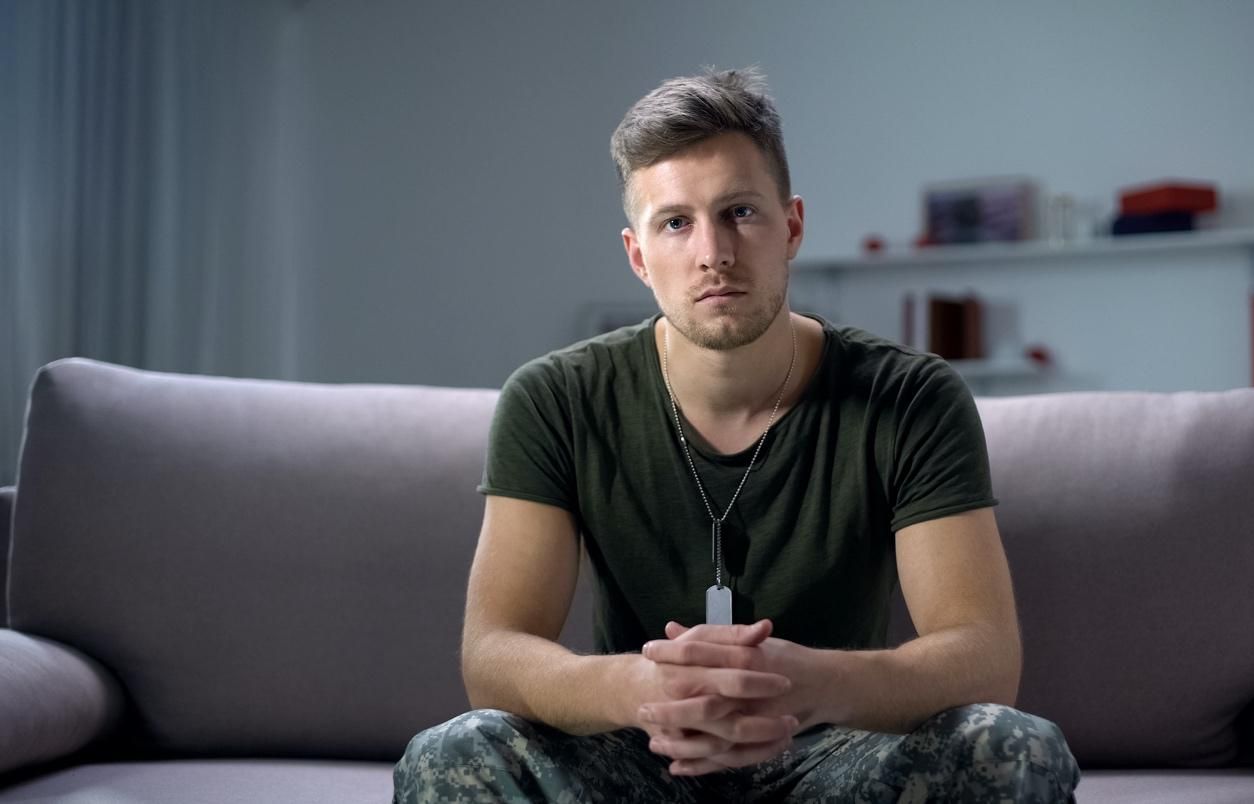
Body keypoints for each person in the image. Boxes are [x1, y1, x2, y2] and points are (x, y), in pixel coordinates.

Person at [394, 68, 1079, 803]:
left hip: (833, 760)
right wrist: (642, 689)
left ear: (791, 226)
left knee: (1013, 748)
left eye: (740, 212)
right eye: (675, 222)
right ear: (637, 255)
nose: (712, 252)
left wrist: (802, 683)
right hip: (637, 757)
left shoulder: (909, 396)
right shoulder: (554, 398)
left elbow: (982, 655)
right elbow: (493, 654)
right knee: (450, 755)